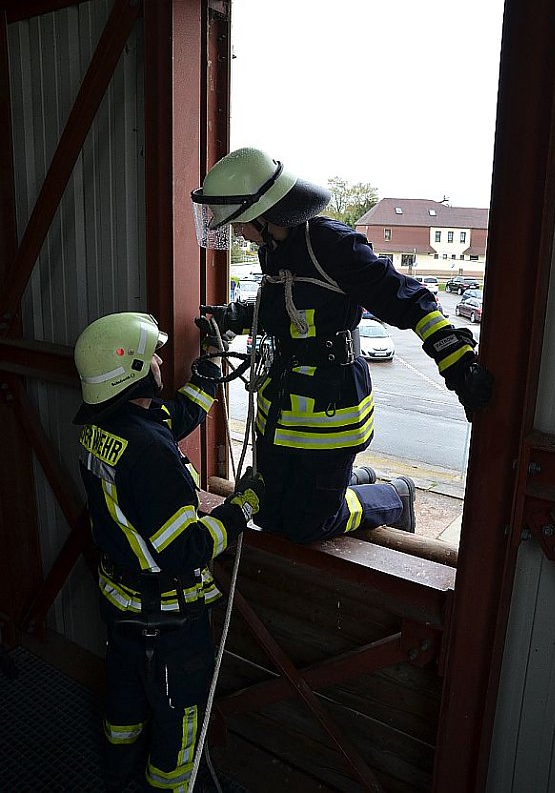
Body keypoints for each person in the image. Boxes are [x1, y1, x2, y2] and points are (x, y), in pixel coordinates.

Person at [191, 147, 493, 546]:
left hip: (328, 413)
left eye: (242, 224)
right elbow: (289, 308)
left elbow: (408, 298)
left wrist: (457, 362)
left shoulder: (333, 245)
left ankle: (394, 497)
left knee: (308, 526)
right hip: (279, 408)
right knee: (266, 513)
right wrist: (232, 318)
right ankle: (358, 479)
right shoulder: (273, 249)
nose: (239, 233)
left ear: (264, 214)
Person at [72, 311, 264, 793]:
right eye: (151, 355)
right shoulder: (152, 456)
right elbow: (187, 552)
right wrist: (241, 508)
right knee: (177, 726)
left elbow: (168, 421)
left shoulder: (104, 426)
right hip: (168, 624)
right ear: (134, 371)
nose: (160, 359)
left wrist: (206, 376)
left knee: (125, 705)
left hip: (121, 606)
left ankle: (117, 777)